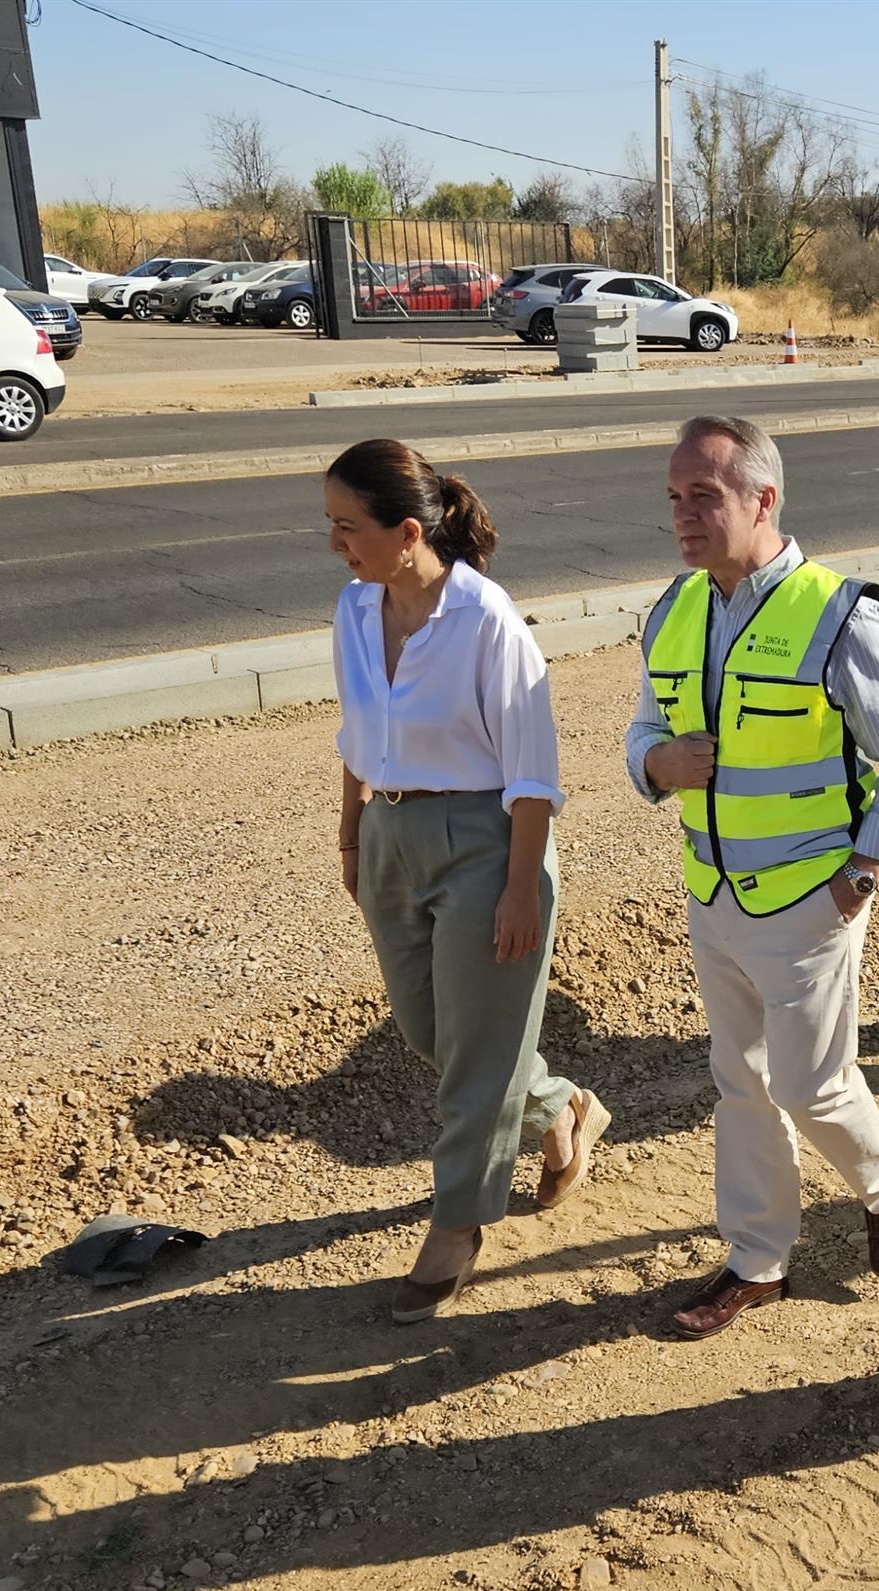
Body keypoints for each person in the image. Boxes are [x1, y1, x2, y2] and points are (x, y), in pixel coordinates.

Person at [626, 414, 879, 1339]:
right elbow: (645, 731)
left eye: (705, 496)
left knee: (809, 1082)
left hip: (810, 896)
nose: (685, 514)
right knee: (741, 1081)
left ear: (765, 500)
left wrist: (865, 870)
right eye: (676, 497)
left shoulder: (841, 611)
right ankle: (757, 1259)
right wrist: (657, 766)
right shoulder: (676, 607)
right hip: (712, 891)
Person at [326, 438, 612, 1325]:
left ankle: (457, 1225)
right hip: (389, 834)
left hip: (487, 843)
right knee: (434, 1030)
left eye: (348, 527)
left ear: (408, 531)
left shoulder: (488, 620)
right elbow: (353, 728)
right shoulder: (352, 606)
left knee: (472, 1065)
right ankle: (563, 1107)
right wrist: (349, 837)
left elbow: (534, 773)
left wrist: (523, 888)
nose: (335, 544)